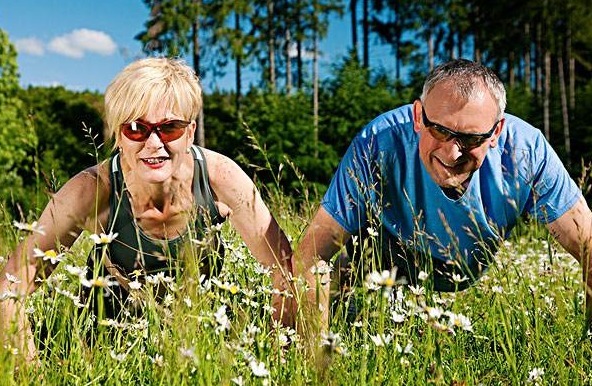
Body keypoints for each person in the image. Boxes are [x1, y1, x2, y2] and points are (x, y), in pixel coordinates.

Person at [0, 57, 294, 360]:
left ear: (191, 132)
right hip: (106, 352)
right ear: (118, 135)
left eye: (169, 128)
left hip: (200, 344)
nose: (154, 143)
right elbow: (12, 283)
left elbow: (286, 269)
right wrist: (30, 372)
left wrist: (276, 358)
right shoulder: (90, 189)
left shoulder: (220, 177)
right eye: (136, 128)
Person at [295, 58, 592, 327]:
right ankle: (351, 281)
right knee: (339, 270)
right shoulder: (377, 142)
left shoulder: (527, 152)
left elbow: (589, 245)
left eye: (472, 138)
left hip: (467, 261)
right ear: (417, 116)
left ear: (496, 131)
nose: (452, 153)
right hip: (387, 245)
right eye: (439, 130)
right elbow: (307, 258)